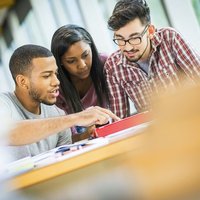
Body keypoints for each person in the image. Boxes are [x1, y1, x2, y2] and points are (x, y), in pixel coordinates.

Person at [0, 44, 119, 161]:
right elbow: (7, 132)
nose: (56, 82)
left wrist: (89, 133)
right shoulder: (4, 103)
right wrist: (76, 118)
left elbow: (65, 157)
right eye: (47, 76)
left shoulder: (57, 113)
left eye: (55, 74)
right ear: (22, 81)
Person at [105, 0, 200, 118]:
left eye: (134, 38)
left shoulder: (169, 38)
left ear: (150, 31)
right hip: (157, 132)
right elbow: (118, 121)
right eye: (120, 39)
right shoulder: (113, 66)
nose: (127, 47)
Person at [51, 24, 110, 140]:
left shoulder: (105, 63)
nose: (82, 65)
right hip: (82, 143)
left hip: (112, 131)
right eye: (71, 61)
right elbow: (65, 138)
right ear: (60, 62)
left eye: (86, 55)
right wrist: (88, 133)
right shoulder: (56, 86)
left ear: (91, 48)